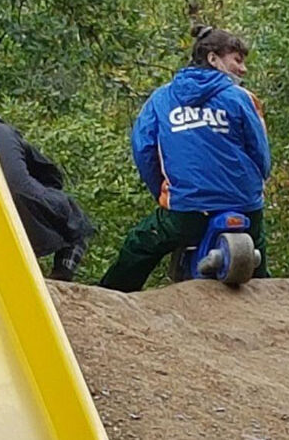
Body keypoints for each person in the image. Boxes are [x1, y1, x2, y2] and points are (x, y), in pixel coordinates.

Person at [99, 25, 272, 292]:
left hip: (187, 208)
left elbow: (143, 149)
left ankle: (108, 300)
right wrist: (258, 183)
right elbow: (261, 152)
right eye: (237, 60)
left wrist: (162, 191)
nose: (243, 69)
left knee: (140, 245)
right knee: (259, 260)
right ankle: (269, 302)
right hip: (244, 205)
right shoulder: (243, 99)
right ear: (213, 59)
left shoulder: (161, 99)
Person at [0, 113, 94, 281]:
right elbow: (43, 178)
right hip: (21, 200)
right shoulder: (2, 133)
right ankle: (63, 271)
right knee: (76, 219)